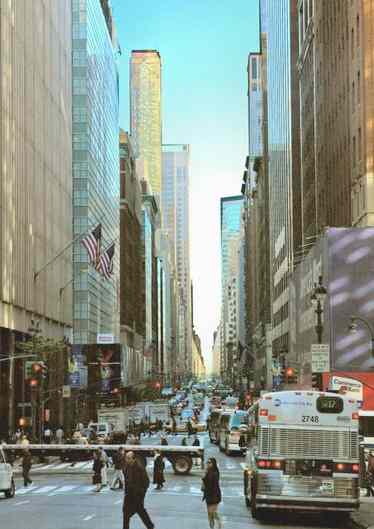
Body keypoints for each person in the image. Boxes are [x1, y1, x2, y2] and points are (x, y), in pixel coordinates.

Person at [122, 451, 154, 529]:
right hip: (129, 494)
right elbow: (126, 479)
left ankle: (150, 526)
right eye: (126, 458)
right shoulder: (126, 466)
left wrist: (141, 493)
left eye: (129, 458)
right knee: (126, 512)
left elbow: (146, 482)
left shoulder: (139, 468)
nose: (127, 460)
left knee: (140, 511)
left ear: (133, 459)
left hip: (137, 495)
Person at [201, 458, 222, 529]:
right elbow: (203, 486)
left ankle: (220, 524)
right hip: (208, 495)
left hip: (214, 495)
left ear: (213, 464)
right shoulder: (208, 472)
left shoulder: (215, 472)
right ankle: (212, 527)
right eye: (207, 462)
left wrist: (204, 478)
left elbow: (211, 484)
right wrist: (205, 474)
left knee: (212, 512)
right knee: (209, 514)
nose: (208, 464)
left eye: (209, 462)